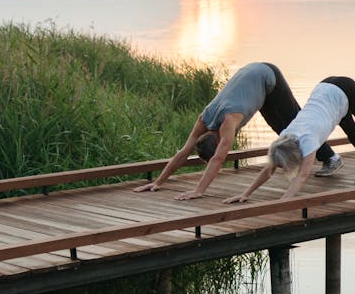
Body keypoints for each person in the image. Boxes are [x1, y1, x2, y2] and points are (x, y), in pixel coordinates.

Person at [134, 62, 341, 200]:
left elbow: (218, 160)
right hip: (252, 79)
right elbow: (183, 151)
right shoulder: (204, 119)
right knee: (281, 131)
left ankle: (331, 158)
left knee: (295, 121)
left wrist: (199, 191)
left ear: (216, 143)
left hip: (268, 76)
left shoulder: (229, 122)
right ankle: (309, 158)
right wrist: (158, 182)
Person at [224, 76, 355, 203]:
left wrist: (282, 202)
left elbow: (303, 176)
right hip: (324, 91)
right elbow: (268, 170)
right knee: (351, 132)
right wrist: (244, 194)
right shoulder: (284, 139)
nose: (281, 169)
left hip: (345, 88)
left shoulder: (308, 139)